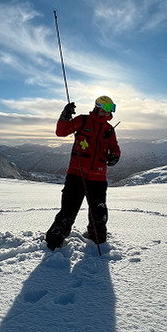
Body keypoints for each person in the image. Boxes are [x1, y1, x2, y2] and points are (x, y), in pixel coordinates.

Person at [45, 95, 121, 251]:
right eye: (106, 108)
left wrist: (114, 156)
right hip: (76, 175)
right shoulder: (83, 120)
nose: (108, 112)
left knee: (99, 213)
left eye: (111, 109)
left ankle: (97, 238)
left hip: (99, 178)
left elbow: (115, 148)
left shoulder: (109, 130)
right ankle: (54, 241)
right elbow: (62, 132)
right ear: (97, 107)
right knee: (68, 210)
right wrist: (65, 116)